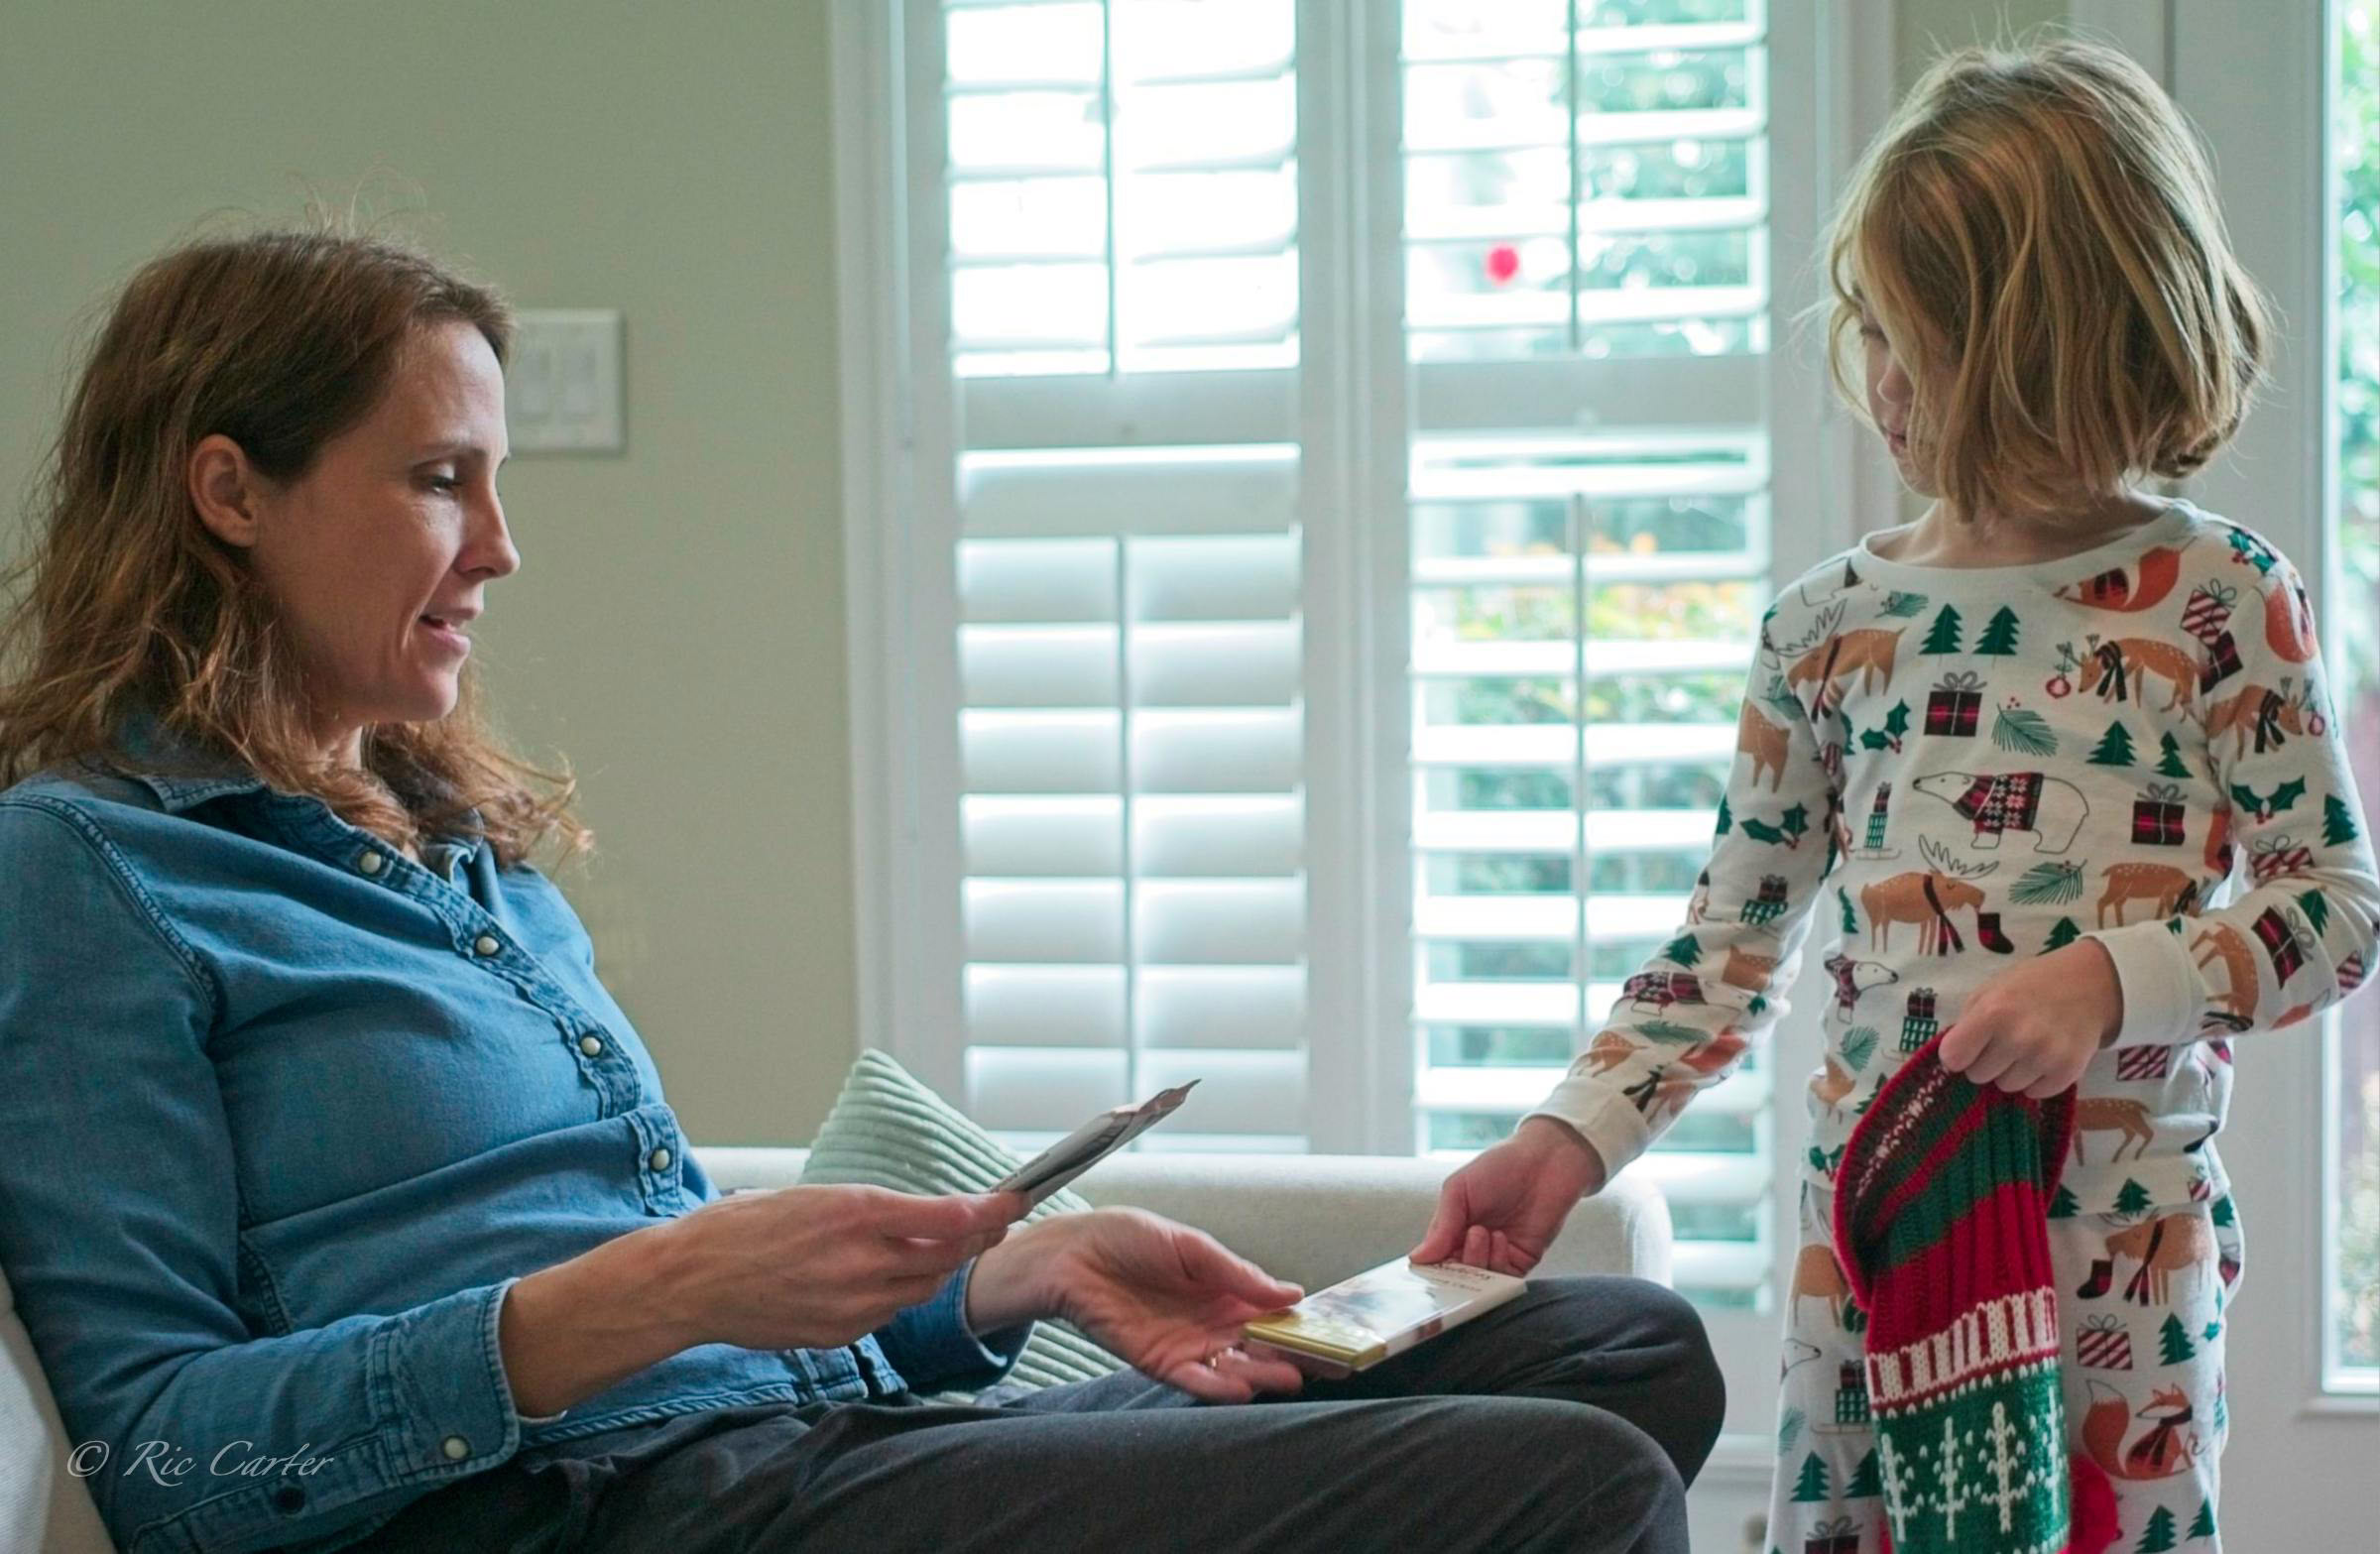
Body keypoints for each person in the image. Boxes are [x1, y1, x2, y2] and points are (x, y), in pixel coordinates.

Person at [0, 225, 1724, 1554]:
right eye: (441, 479)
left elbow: (711, 1337)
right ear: (230, 490)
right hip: (595, 1517)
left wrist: (1013, 1281)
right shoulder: (86, 865)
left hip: (780, 1456)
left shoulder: (453, 844)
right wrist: (646, 1293)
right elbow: (164, 1463)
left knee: (1622, 1350)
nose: (504, 546)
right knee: (1566, 1485)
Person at [1415, 39, 2380, 1554]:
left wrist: (2110, 978)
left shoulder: (2218, 599)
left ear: (2039, 349)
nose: (1875, 375)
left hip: (2120, 1253)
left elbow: (2336, 908)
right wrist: (1566, 1138)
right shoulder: (1827, 626)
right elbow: (1727, 948)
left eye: (1908, 335)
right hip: (1870, 1245)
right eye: (1868, 325)